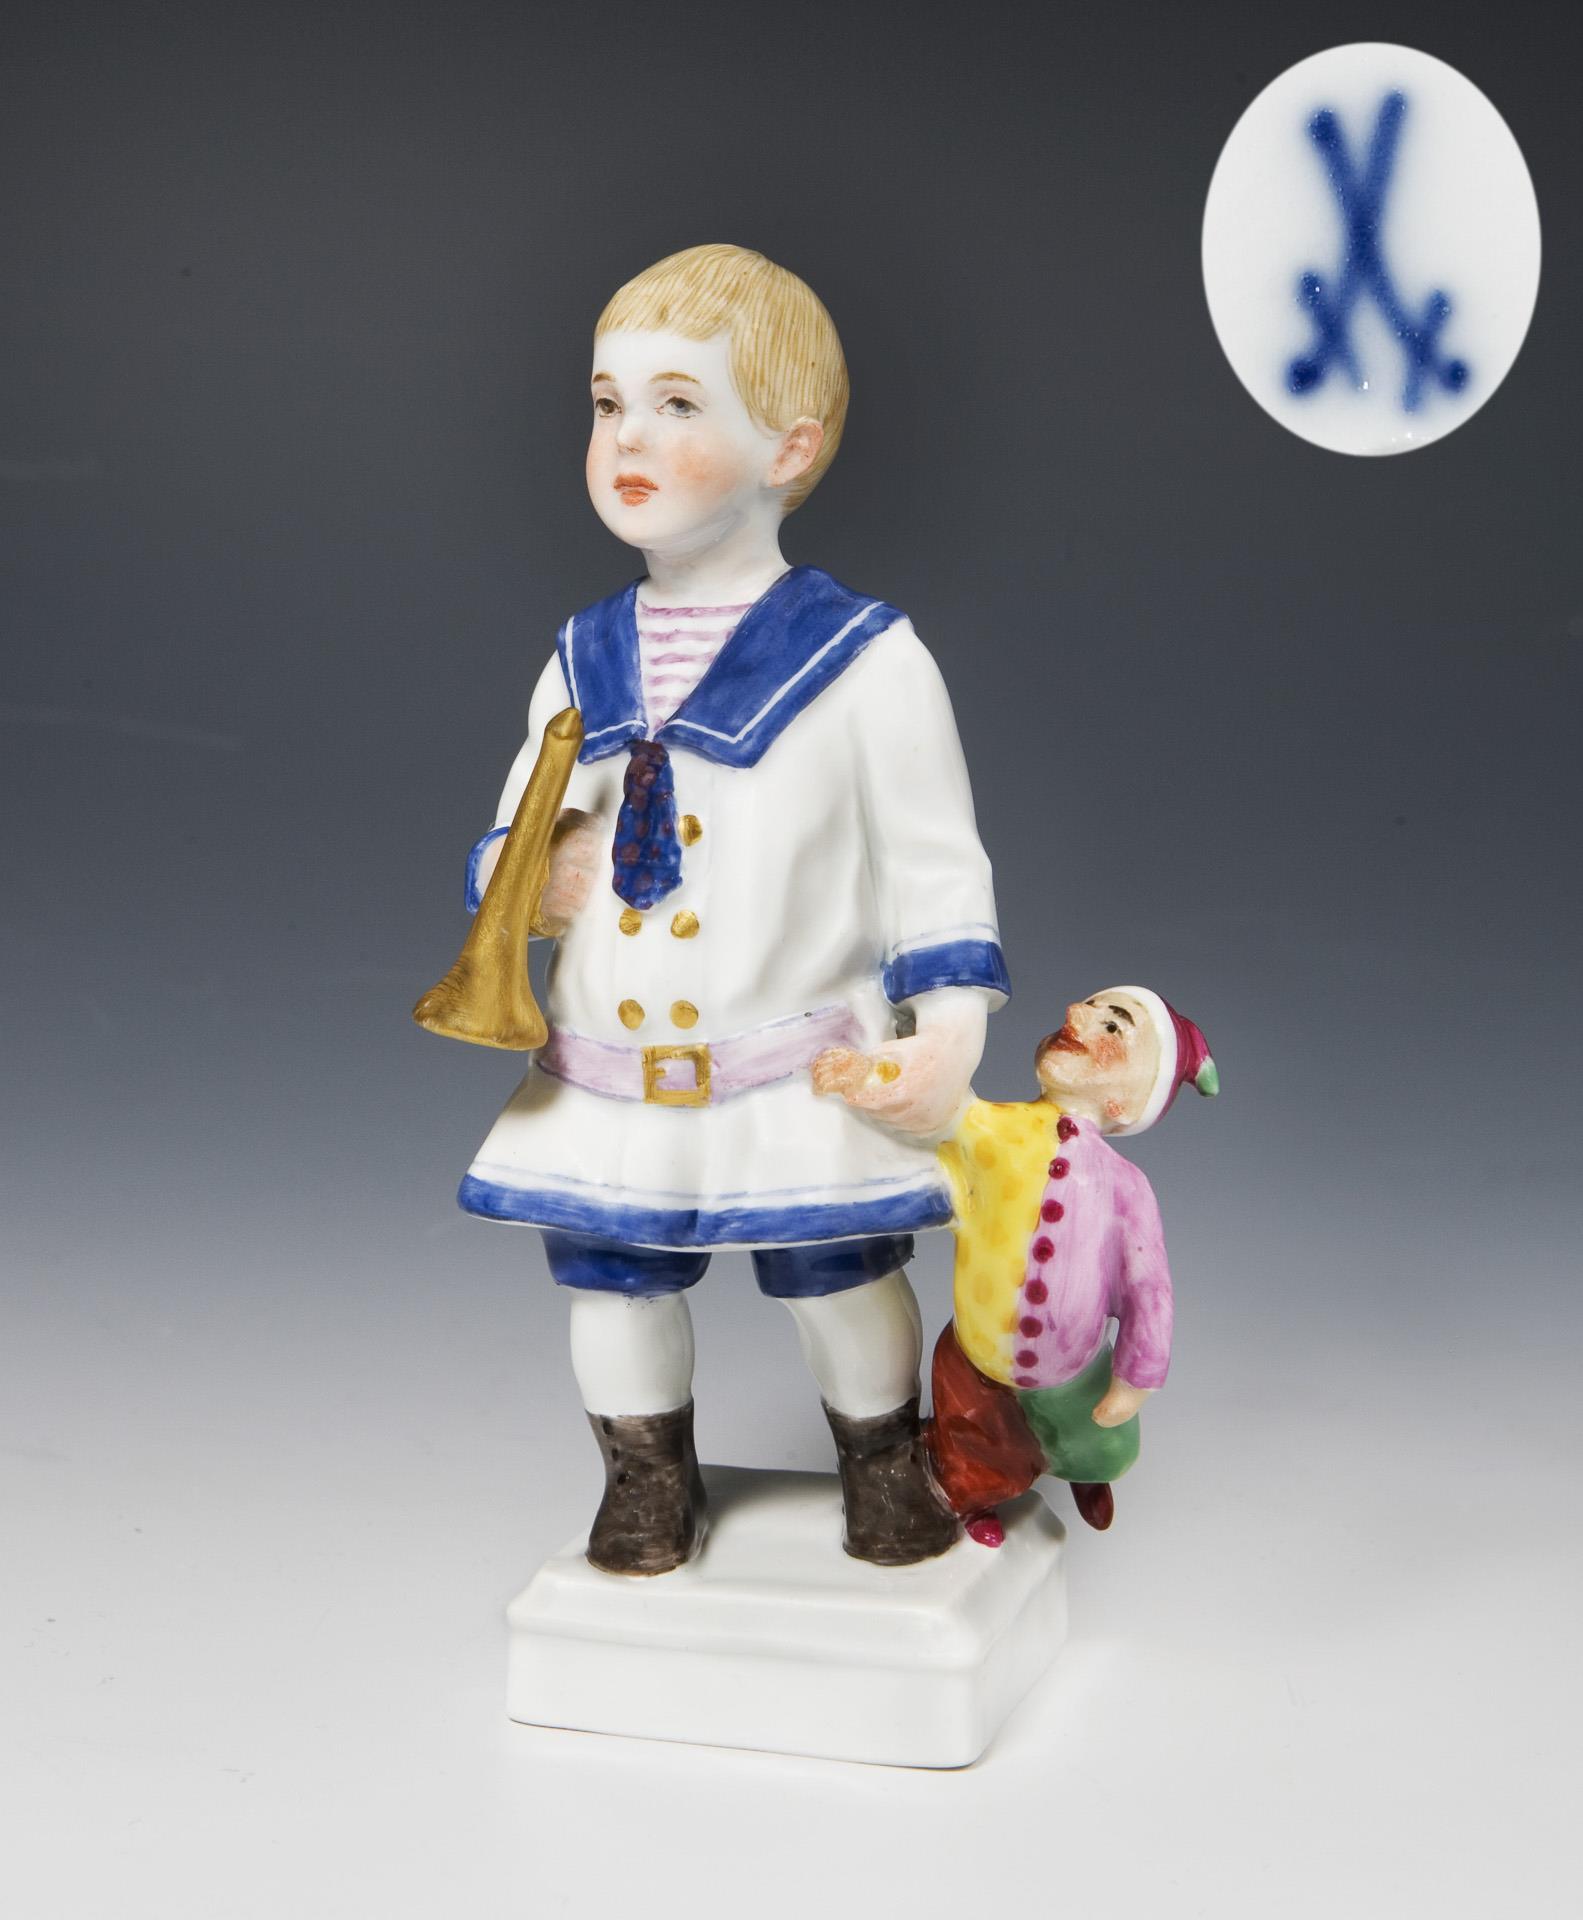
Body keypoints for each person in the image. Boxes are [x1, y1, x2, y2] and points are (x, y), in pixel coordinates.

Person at [456, 245, 1008, 1574]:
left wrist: (946, 1027)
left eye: (677, 405)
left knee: (841, 1276)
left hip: (794, 1069)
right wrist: (527, 876)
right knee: (612, 1282)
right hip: (610, 1069)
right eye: (606, 404)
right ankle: (644, 1480)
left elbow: (934, 861)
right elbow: (512, 825)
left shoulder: (864, 660)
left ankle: (880, 1463)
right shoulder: (581, 655)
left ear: (789, 448)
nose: (627, 438)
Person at [818, 986, 1216, 1544]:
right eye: (1088, 1005)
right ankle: (968, 1500)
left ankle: (1083, 1475)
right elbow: (935, 1111)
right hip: (976, 1357)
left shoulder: (1125, 1186)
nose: (1075, 1013)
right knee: (973, 1448)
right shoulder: (993, 1128)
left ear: (1126, 1105)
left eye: (1112, 1027)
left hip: (1074, 1370)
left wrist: (1135, 1379)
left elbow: (1148, 1289)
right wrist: (867, 1075)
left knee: (1109, 1447)